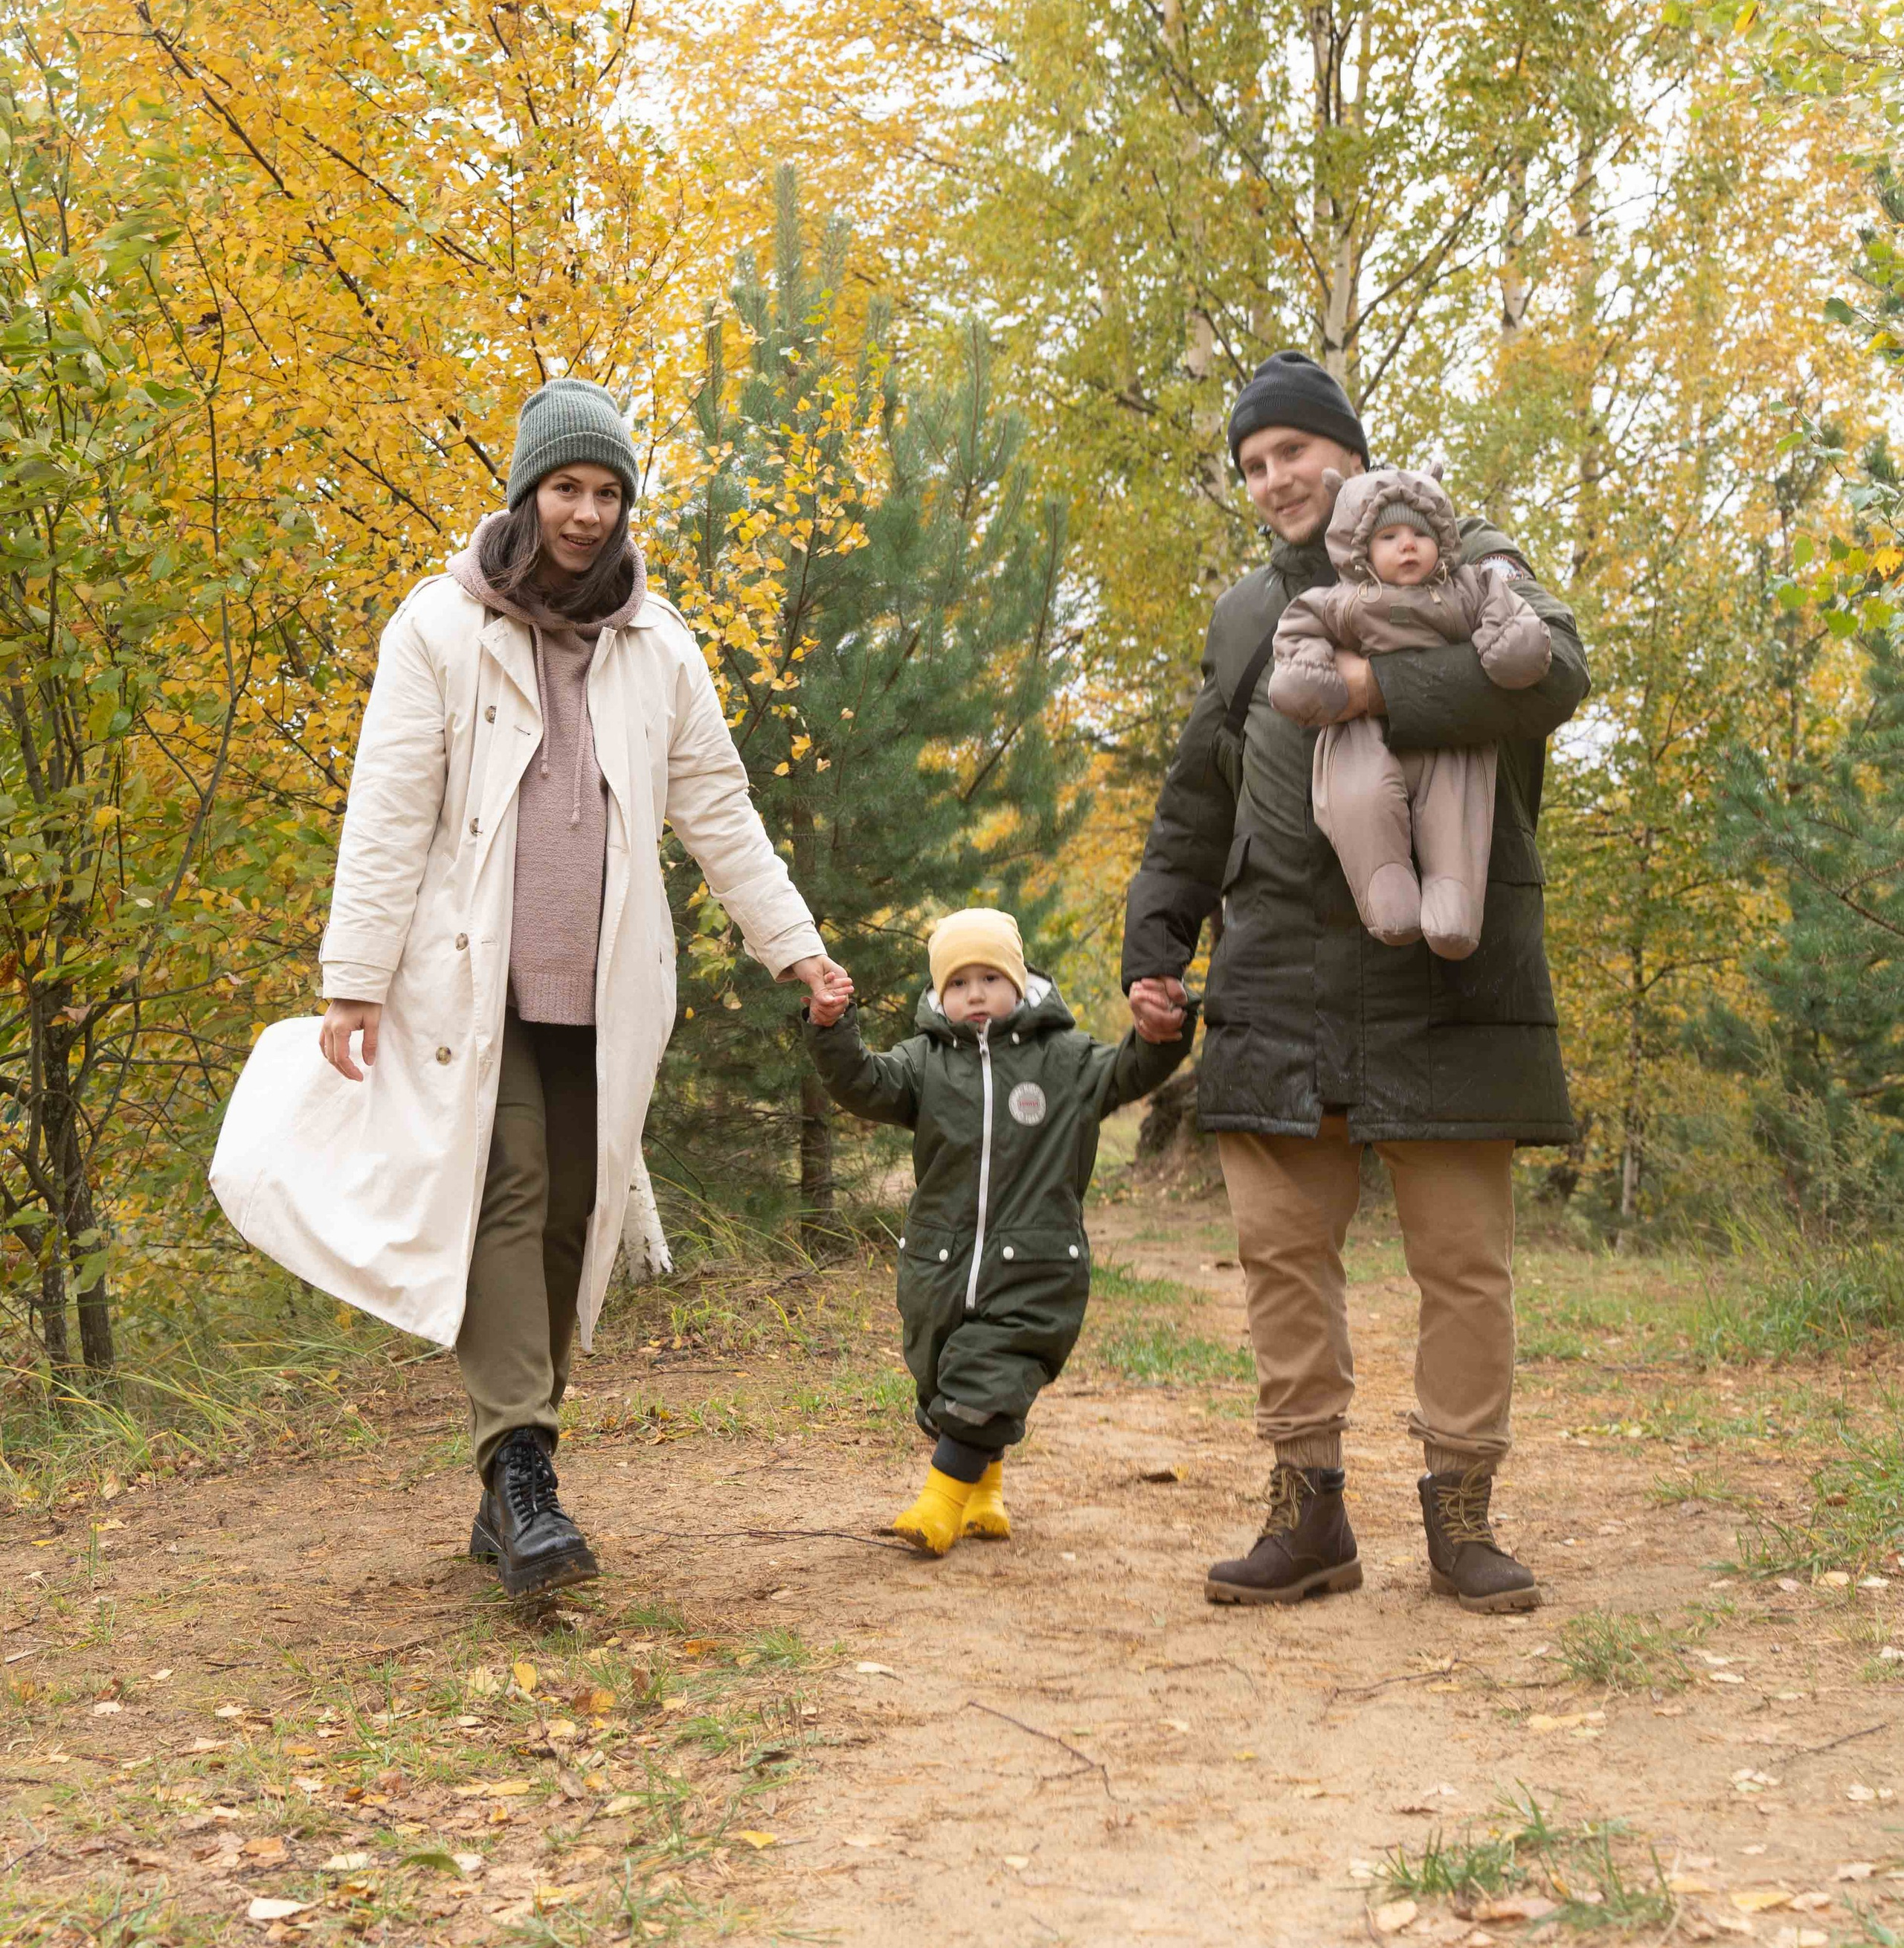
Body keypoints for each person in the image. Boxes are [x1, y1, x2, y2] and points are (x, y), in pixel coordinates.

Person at [312, 379, 849, 1596]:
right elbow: (389, 809)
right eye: (568, 488)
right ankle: (523, 1469)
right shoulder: (441, 629)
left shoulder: (657, 648)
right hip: (469, 985)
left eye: (609, 494)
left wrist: (795, 944)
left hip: (604, 992)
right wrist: (355, 980)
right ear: (526, 492)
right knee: (507, 1194)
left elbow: (719, 806)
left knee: (569, 1218)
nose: (589, 514)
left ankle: (509, 1484)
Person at [1122, 353, 1589, 1614]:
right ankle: (1308, 1512)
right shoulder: (1243, 615)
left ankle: (1464, 1516)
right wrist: (1154, 942)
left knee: (1462, 1259)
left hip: (1444, 965)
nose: (1275, 479)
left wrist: (1370, 685)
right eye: (1254, 464)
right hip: (1278, 971)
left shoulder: (1455, 549)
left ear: (1351, 451)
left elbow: (1553, 674)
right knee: (1281, 1251)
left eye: (1294, 452)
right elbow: (1195, 793)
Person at [803, 907, 1194, 1555]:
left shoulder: (1064, 1060)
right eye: (958, 983)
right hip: (940, 1264)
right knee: (944, 1382)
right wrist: (832, 1028)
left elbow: (1130, 1070)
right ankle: (985, 1495)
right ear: (938, 995)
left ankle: (939, 1504)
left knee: (989, 1377)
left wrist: (1161, 1035)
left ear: (1020, 983)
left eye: (989, 977)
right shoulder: (923, 1063)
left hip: (1036, 1264)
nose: (975, 993)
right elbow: (862, 1083)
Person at [1268, 465, 1553, 958]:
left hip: (1452, 738)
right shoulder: (1344, 598)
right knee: (1362, 800)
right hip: (1362, 738)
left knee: (1457, 810)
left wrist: (1510, 645)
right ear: (1360, 546)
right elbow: (1300, 629)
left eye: (1420, 533)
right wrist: (1310, 676)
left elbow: (1504, 608)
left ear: (1441, 537)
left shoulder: (1466, 584)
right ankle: (1387, 895)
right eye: (1390, 535)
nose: (1407, 545)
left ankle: (1454, 908)